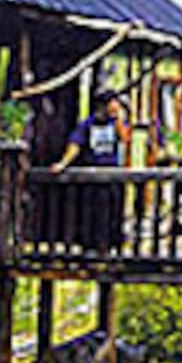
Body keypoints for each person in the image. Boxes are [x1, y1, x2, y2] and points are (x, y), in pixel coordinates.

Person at [52, 92, 130, 253]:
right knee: (92, 213)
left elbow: (125, 138)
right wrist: (63, 163)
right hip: (92, 174)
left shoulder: (116, 123)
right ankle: (90, 246)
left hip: (112, 174)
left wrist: (118, 119)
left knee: (112, 213)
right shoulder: (87, 124)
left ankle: (110, 246)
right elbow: (75, 145)